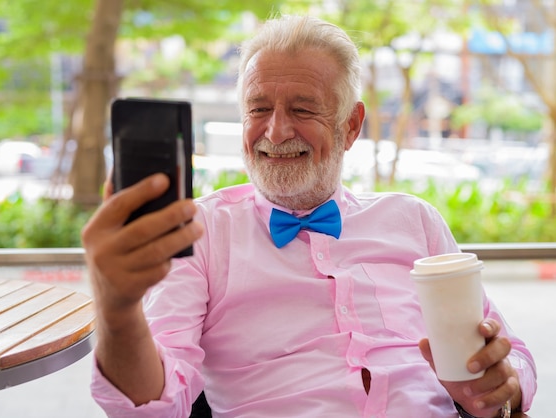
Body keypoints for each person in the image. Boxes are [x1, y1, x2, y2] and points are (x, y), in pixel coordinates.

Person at [82, 15, 537, 418]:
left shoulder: (414, 220)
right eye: (258, 109)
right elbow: (153, 407)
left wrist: (501, 386)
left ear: (351, 126)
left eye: (302, 109)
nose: (276, 131)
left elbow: (511, 356)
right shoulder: (200, 232)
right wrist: (117, 307)